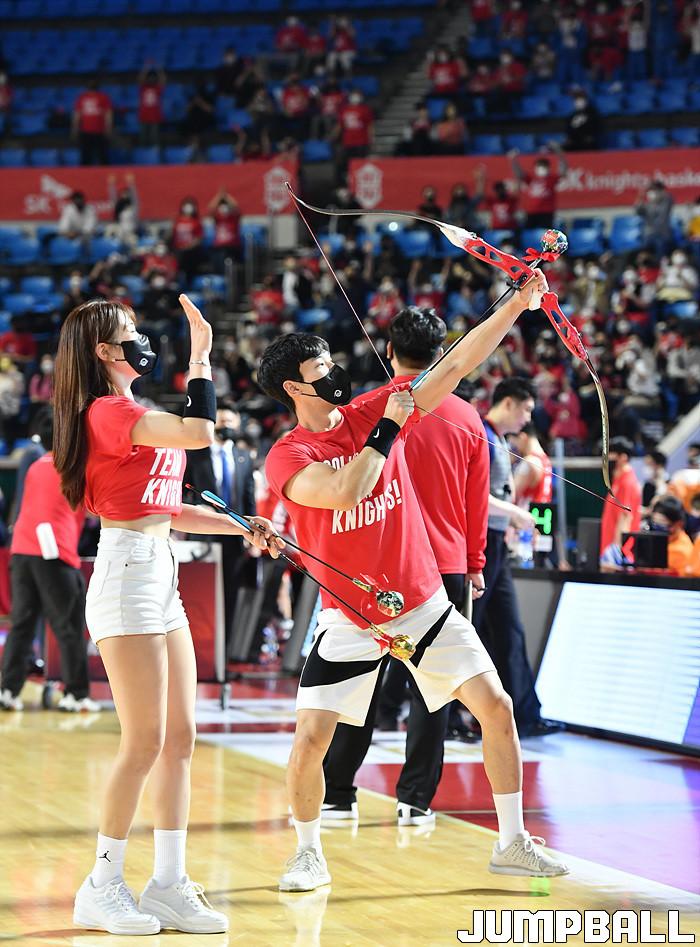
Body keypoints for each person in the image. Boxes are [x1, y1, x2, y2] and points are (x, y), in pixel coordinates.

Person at [258, 266, 569, 894]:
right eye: (322, 369)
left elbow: (457, 364)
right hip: (350, 615)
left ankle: (512, 842)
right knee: (312, 738)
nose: (336, 373)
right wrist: (388, 429)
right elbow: (347, 491)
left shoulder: (374, 404)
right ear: (294, 387)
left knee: (497, 708)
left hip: (423, 601)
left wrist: (517, 304)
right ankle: (307, 854)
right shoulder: (289, 455)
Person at [52, 296, 281, 935]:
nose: (142, 340)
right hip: (127, 574)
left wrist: (242, 525)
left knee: (181, 737)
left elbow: (170, 506)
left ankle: (169, 883)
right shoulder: (107, 411)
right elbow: (201, 431)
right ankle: (101, 885)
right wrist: (200, 356)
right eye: (129, 333)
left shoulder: (136, 412)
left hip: (161, 568)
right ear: (104, 351)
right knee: (144, 742)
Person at [321, 307, 490, 826]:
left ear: (389, 350)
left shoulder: (366, 410)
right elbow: (476, 500)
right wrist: (475, 563)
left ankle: (337, 794)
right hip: (445, 564)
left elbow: (342, 486)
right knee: (436, 689)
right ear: (443, 354)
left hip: (376, 568)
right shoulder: (466, 417)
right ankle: (415, 800)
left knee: (359, 679)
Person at [472, 378, 561, 738]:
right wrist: (514, 513)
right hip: (482, 544)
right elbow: (474, 494)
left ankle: (525, 714)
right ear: (508, 402)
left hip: (496, 544)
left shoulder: (500, 440)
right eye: (525, 409)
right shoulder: (482, 435)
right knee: (470, 630)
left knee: (509, 631)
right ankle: (454, 715)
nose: (528, 418)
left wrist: (510, 517)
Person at [0, 408, 99, 713]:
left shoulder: (36, 465)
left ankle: (8, 690)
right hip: (54, 553)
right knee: (68, 626)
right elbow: (95, 510)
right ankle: (76, 695)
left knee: (22, 623)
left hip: (22, 551)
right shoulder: (76, 467)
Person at [184, 403, 256, 658]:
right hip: (201, 537)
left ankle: (221, 657)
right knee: (200, 596)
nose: (226, 426)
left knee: (229, 597)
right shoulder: (195, 454)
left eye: (231, 422)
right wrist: (198, 507)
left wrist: (251, 534)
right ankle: (198, 656)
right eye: (222, 421)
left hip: (234, 539)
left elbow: (248, 500)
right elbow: (181, 493)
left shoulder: (244, 457)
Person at [599, 436, 642, 559]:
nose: (607, 458)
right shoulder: (618, 479)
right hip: (608, 544)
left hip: (616, 551)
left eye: (611, 454)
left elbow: (625, 517)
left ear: (623, 457)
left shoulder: (627, 482)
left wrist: (616, 550)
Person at [509, 145, 568, 230]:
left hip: (546, 213)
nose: (542, 168)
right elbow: (519, 173)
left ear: (548, 167)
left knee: (547, 234)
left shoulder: (551, 178)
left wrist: (560, 154)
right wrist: (513, 160)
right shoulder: (531, 178)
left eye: (544, 166)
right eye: (540, 165)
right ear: (535, 167)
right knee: (527, 234)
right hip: (531, 212)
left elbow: (563, 171)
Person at [648, 494, 693, 576]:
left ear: (679, 524)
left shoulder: (681, 552)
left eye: (663, 527)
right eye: (654, 525)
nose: (657, 531)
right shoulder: (660, 541)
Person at [72, 78, 112, 166]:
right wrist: (75, 128)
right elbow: (77, 114)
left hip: (99, 131)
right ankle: (85, 174)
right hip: (86, 131)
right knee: (86, 156)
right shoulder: (82, 97)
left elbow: (108, 114)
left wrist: (108, 128)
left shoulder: (103, 97)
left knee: (102, 156)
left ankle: (104, 173)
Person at [641, 448, 668, 514]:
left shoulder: (664, 480)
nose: (648, 467)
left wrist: (648, 510)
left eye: (650, 463)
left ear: (658, 465)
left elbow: (660, 495)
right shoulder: (649, 481)